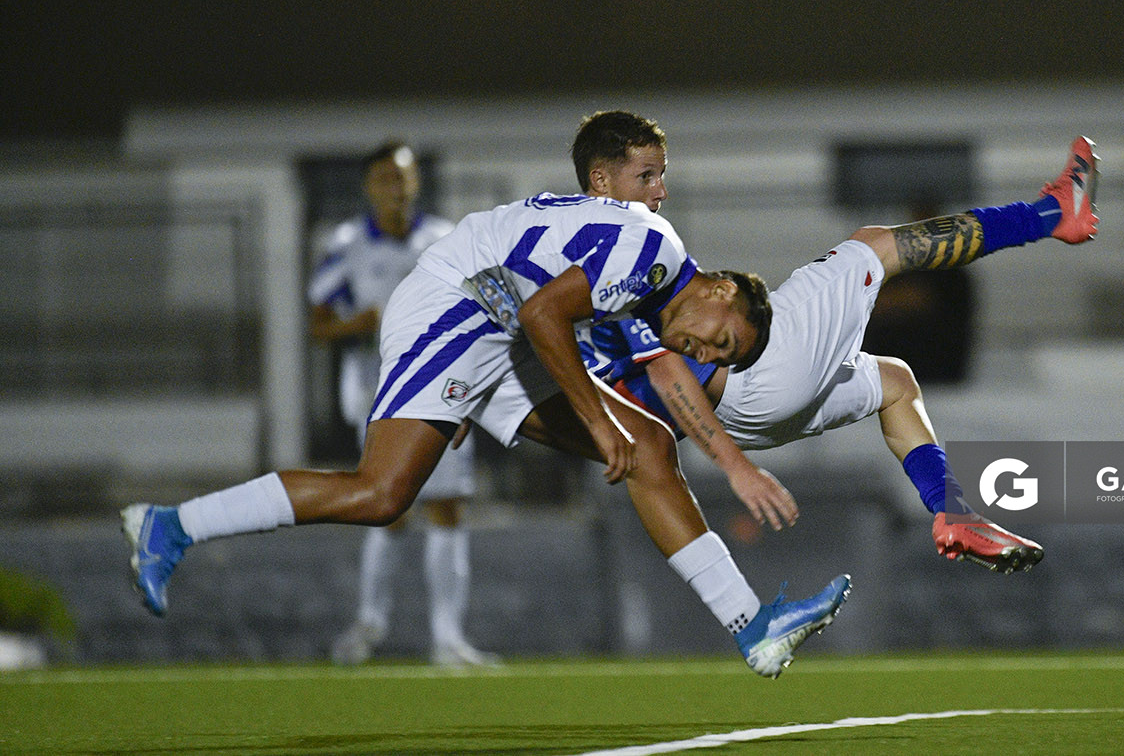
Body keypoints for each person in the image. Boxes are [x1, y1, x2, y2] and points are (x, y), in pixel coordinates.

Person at [123, 124, 851, 679]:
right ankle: (170, 525)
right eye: (721, 340)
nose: (707, 354)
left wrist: (480, 398)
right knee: (382, 495)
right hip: (457, 308)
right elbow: (543, 317)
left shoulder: (655, 271)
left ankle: (751, 625)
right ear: (721, 289)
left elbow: (555, 317)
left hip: (495, 321)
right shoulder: (653, 251)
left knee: (653, 447)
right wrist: (594, 422)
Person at [567, 111, 1099, 571]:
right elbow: (662, 364)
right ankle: (1053, 214)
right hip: (756, 380)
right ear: (601, 179)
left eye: (661, 175)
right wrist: (734, 466)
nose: (660, 190)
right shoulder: (621, 240)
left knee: (894, 382)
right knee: (874, 246)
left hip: (745, 418)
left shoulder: (566, 255)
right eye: (646, 176)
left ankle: (952, 511)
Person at [308, 141, 496, 667]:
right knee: (385, 508)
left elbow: (479, 312)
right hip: (377, 389)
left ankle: (448, 637)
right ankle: (370, 624)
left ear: (416, 183)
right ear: (369, 186)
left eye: (403, 177)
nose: (396, 187)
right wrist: (360, 324)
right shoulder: (346, 245)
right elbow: (318, 324)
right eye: (385, 178)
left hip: (441, 387)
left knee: (447, 506)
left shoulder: (443, 239)